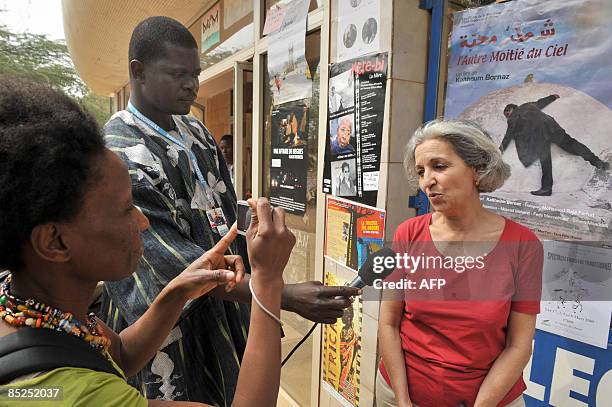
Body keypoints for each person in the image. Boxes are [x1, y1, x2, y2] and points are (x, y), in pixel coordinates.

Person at [101, 16, 358, 404]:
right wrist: (280, 294)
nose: (192, 85)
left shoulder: (197, 131)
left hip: (233, 301)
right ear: (138, 72)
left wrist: (256, 244)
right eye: (177, 74)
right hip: (169, 325)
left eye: (196, 74)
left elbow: (227, 217)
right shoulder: (121, 154)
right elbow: (174, 269)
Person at [0, 77, 293, 406]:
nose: (142, 221)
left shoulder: (23, 301)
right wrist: (268, 280)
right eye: (126, 209)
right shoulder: (83, 397)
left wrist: (178, 290)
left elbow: (121, 355)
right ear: (55, 241)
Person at [377, 119, 543, 407]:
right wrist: (402, 401)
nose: (427, 180)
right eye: (420, 171)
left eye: (439, 166)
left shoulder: (523, 246)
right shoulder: (408, 234)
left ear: (477, 169)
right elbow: (388, 323)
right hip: (399, 395)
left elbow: (519, 345)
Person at [500, 94, 608, 196]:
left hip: (539, 135)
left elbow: (508, 136)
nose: (507, 117)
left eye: (507, 114)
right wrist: (553, 97)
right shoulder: (528, 105)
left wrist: (500, 149)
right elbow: (541, 102)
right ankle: (597, 162)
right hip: (552, 126)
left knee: (545, 160)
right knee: (572, 144)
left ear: (511, 110)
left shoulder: (513, 117)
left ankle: (546, 189)